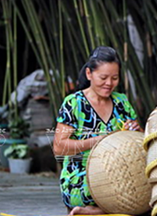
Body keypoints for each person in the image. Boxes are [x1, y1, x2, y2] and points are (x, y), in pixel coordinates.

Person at [52, 46, 141, 216]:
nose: (109, 83)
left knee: (145, 190)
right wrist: (96, 141)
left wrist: (136, 130)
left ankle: (94, 212)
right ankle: (94, 209)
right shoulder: (74, 103)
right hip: (83, 177)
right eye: (103, 77)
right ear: (89, 74)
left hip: (120, 174)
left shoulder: (121, 101)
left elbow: (140, 141)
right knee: (129, 199)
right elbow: (59, 147)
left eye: (114, 78)